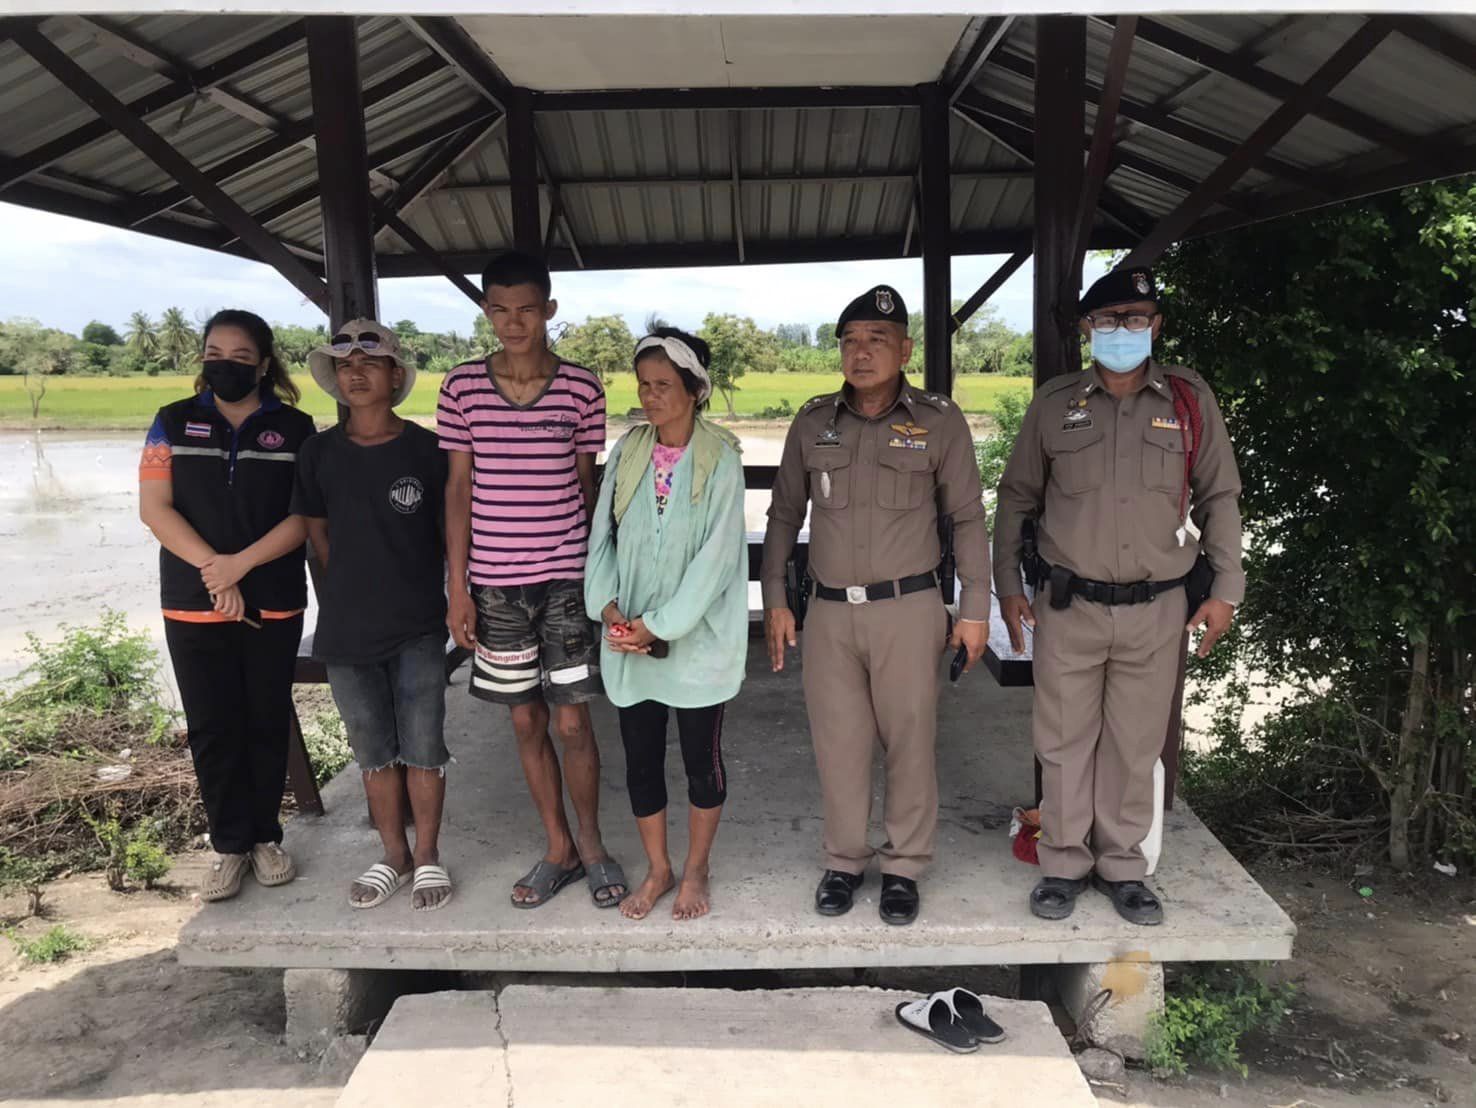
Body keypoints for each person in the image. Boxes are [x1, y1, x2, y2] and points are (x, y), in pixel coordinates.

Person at [992, 266, 1244, 926]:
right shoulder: (1055, 404)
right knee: (1063, 741)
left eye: (1135, 318)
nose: (1122, 331)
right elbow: (1016, 498)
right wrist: (1007, 586)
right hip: (1068, 605)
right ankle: (1063, 862)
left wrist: (1226, 589)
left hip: (1158, 608)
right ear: (1087, 329)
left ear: (1156, 326)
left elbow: (1220, 496)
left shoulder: (1187, 400)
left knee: (1134, 745)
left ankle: (1123, 867)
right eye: (1107, 320)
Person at [761, 285, 992, 926]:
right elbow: (783, 514)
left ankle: (904, 867)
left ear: (906, 350)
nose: (861, 353)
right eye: (851, 341)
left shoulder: (938, 421)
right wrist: (776, 598)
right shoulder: (814, 422)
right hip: (830, 612)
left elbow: (968, 518)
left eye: (877, 341)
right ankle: (843, 860)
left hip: (907, 608)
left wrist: (974, 609)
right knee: (839, 743)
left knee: (910, 741)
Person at [439, 250, 627, 909]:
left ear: (548, 309)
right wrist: (457, 588)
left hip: (566, 580)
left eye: (526, 309)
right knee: (525, 721)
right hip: (494, 585)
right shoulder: (461, 388)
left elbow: (587, 487)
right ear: (486, 312)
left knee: (573, 723)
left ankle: (593, 846)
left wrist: (602, 578)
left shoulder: (581, 388)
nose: (513, 322)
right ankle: (559, 849)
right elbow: (458, 489)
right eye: (500, 310)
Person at [138, 310, 313, 902]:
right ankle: (229, 845)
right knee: (212, 725)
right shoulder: (169, 422)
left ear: (263, 366)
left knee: (265, 717)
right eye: (215, 354)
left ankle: (265, 837)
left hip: (273, 599)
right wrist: (216, 570)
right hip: (193, 601)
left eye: (241, 357)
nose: (226, 365)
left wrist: (240, 566)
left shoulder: (296, 428)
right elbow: (155, 508)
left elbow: (303, 516)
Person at [585, 328, 747, 922]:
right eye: (643, 385)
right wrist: (608, 608)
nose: (650, 396)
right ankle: (659, 867)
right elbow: (602, 535)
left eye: (663, 385)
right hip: (629, 637)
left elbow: (717, 559)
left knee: (701, 762)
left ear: (695, 389)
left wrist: (659, 625)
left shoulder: (720, 457)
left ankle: (696, 866)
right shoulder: (629, 451)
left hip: (695, 641)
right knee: (641, 761)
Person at [293, 320, 453, 912]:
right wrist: (350, 591)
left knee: (424, 745)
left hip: (418, 624)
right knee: (373, 751)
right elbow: (318, 536)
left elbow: (449, 534)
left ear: (395, 375)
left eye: (370, 363)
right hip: (346, 629)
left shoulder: (428, 450)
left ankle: (428, 854)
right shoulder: (317, 453)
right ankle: (393, 854)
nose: (356, 373)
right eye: (344, 366)